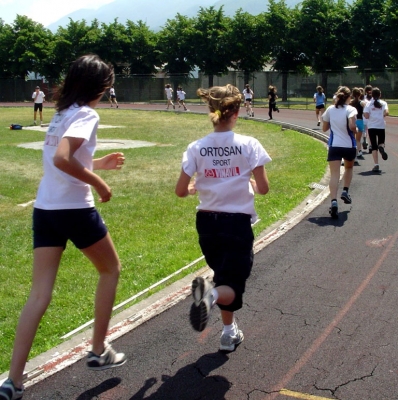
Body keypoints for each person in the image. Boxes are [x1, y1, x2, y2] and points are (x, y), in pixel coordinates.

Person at [0, 54, 127, 400]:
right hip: (74, 209)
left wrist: (100, 163)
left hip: (46, 210)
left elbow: (63, 159)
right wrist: (100, 183)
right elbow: (62, 160)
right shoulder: (87, 113)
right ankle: (99, 349)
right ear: (99, 87)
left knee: (39, 294)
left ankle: (12, 381)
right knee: (111, 270)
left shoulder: (60, 115)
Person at [175, 84, 271, 352]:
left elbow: (180, 191)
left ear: (211, 111)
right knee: (232, 287)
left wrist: (196, 186)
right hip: (236, 223)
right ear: (236, 112)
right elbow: (263, 189)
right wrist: (249, 180)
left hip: (207, 223)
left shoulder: (196, 147)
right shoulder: (249, 144)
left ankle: (228, 332)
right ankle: (210, 296)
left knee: (223, 275)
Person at [322, 86, 357, 219]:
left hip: (334, 145)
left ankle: (334, 202)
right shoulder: (351, 109)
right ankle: (345, 191)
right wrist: (357, 131)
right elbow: (352, 126)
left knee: (334, 174)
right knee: (349, 168)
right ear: (349, 98)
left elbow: (324, 128)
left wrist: (334, 123)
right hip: (348, 145)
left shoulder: (330, 109)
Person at [363, 87, 389, 173]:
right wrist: (382, 114)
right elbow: (386, 112)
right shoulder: (383, 103)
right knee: (381, 143)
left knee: (374, 145)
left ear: (371, 95)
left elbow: (366, 115)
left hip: (371, 126)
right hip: (381, 126)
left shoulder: (368, 104)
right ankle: (381, 148)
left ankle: (376, 164)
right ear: (380, 95)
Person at [362, 85, 373, 151]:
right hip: (371, 117)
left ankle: (364, 141)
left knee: (364, 130)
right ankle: (371, 145)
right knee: (371, 131)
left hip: (364, 116)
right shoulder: (373, 99)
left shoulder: (363, 98)